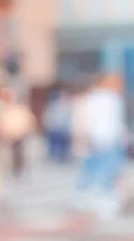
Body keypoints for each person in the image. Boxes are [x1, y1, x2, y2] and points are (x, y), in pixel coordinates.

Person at [74, 75, 126, 219]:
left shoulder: (100, 98)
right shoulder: (106, 99)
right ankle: (102, 201)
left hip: (104, 141)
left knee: (98, 171)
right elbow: (103, 122)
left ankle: (88, 197)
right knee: (104, 173)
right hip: (105, 141)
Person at [0, 88, 36, 178]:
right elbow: (3, 122)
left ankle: (21, 170)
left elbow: (30, 120)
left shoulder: (22, 109)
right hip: (10, 136)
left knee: (21, 154)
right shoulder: (6, 109)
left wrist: (26, 130)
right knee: (10, 155)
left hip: (21, 135)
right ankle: (12, 170)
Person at [43, 91, 73, 163]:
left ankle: (61, 157)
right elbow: (48, 117)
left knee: (62, 145)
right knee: (54, 144)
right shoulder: (53, 107)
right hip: (55, 129)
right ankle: (54, 157)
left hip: (61, 129)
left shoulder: (65, 106)